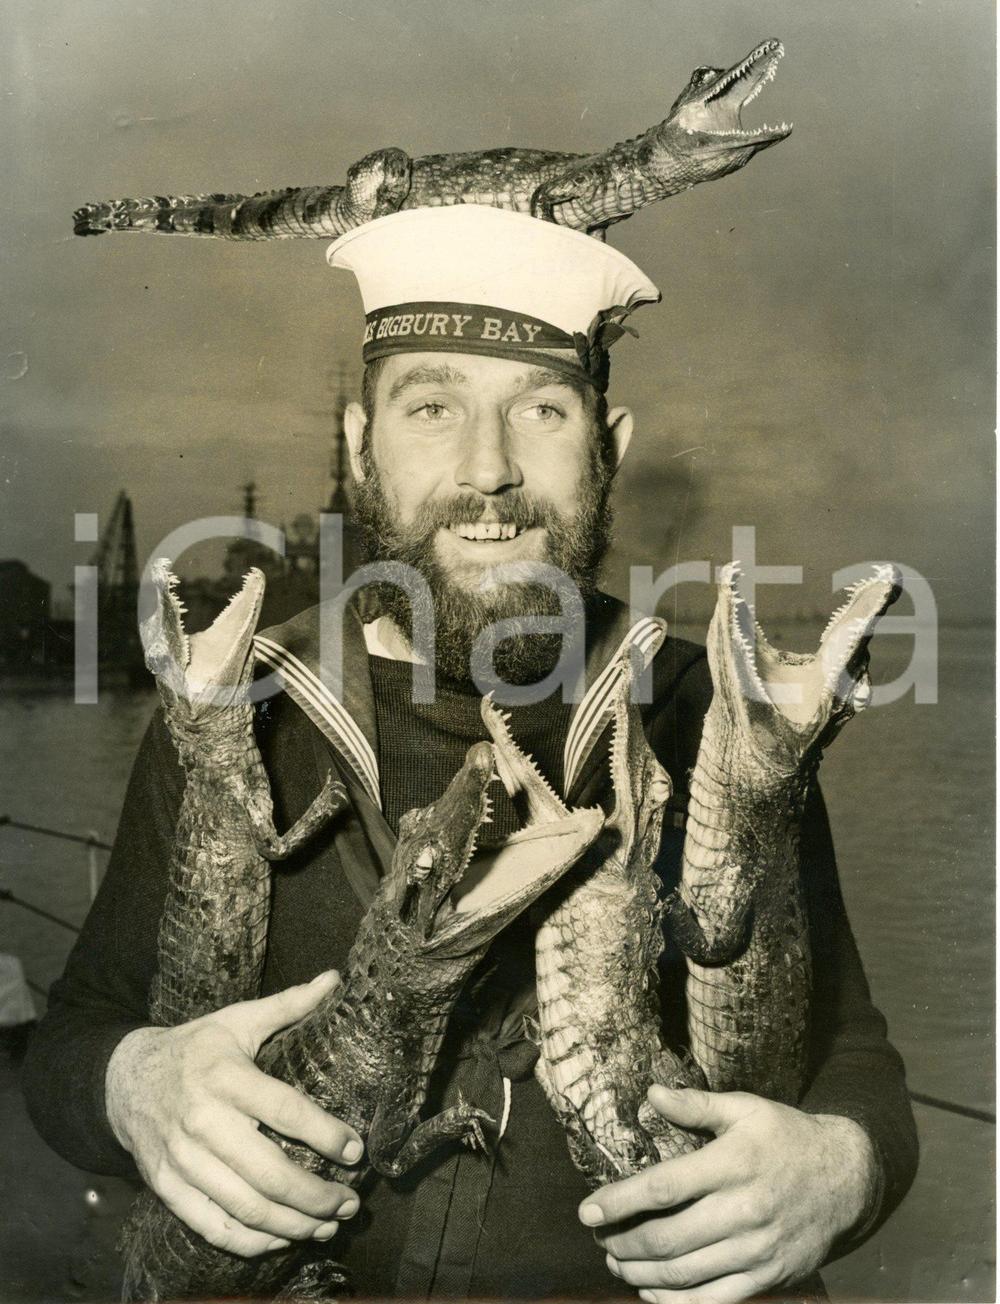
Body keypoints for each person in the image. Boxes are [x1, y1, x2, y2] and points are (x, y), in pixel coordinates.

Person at [24, 205, 918, 1302]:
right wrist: (135, 1084)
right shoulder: (237, 701)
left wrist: (840, 1169)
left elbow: (855, 1054)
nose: (486, 470)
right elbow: (77, 1031)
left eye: (539, 410)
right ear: (361, 443)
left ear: (608, 444)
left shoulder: (710, 710)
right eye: (432, 405)